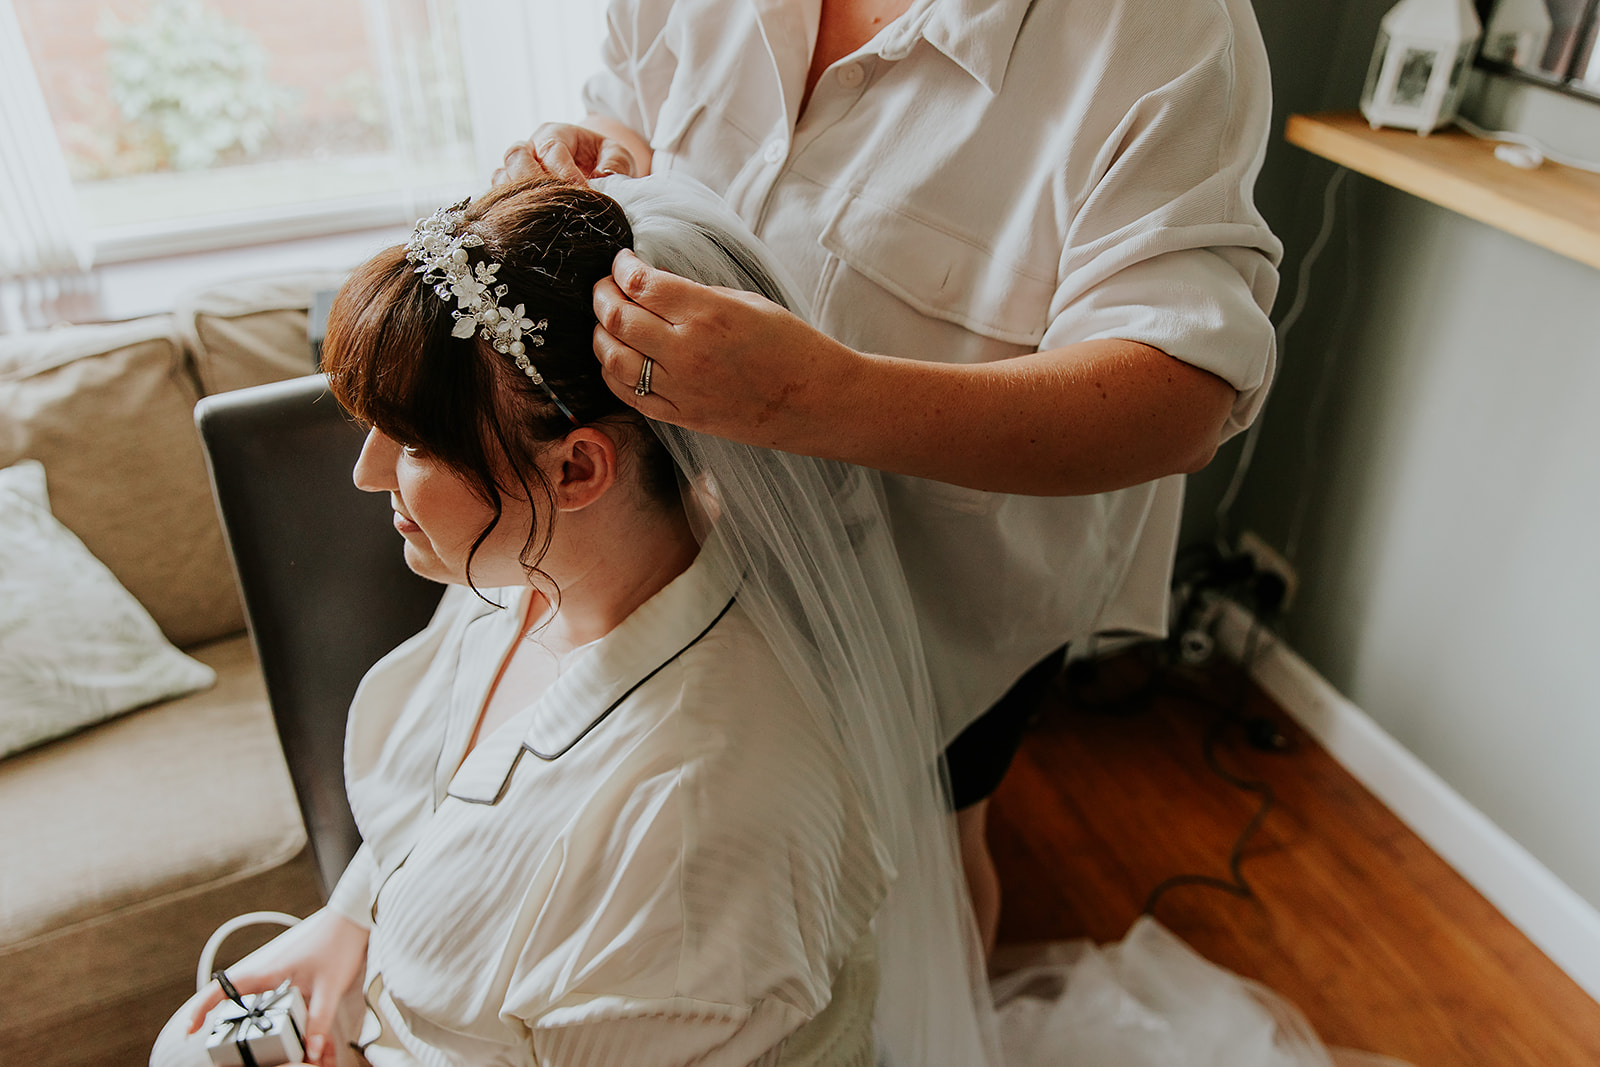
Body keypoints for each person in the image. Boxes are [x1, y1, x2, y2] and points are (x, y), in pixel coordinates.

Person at [150, 173, 998, 1067]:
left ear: (577, 469)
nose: (366, 474)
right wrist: (350, 917)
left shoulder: (693, 820)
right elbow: (447, 801)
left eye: (415, 444)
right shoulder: (535, 572)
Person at [499, 0, 1284, 951]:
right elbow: (633, 124)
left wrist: (809, 396)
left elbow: (1179, 392)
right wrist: (593, 170)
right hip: (671, 558)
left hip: (943, 602)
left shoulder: (1165, 32)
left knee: (928, 874)